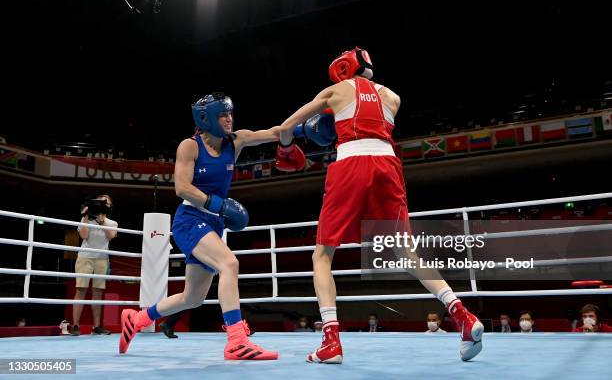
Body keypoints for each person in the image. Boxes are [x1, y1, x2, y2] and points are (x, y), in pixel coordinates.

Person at [276, 47, 483, 364]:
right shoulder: (393, 97)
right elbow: (367, 116)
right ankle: (462, 314)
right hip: (387, 164)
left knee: (322, 254)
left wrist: (289, 145)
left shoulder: (335, 90)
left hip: (351, 164)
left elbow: (286, 126)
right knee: (406, 252)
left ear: (343, 69)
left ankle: (331, 341)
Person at [119, 93, 279, 360]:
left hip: (213, 224)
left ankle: (137, 319)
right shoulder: (189, 146)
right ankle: (237, 341)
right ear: (206, 119)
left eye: (230, 113)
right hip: (190, 220)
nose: (229, 119)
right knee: (230, 264)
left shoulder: (235, 141)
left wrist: (304, 126)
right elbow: (181, 187)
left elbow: (275, 132)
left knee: (192, 297)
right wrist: (216, 204)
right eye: (222, 114)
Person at [72, 194, 116, 336]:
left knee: (97, 293)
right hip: (85, 257)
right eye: (101, 202)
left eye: (107, 203)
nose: (104, 205)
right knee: (81, 290)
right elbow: (84, 236)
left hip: (102, 259)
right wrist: (86, 216)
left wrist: (102, 222)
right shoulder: (86, 220)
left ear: (110, 207)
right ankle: (75, 325)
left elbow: (111, 236)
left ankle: (96, 327)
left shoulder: (112, 223)